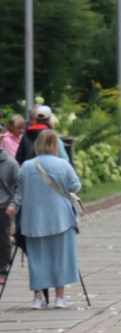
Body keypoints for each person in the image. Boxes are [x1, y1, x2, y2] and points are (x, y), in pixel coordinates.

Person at [12, 130, 80, 309]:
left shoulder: (27, 166)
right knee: (61, 258)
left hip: (33, 220)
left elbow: (19, 190)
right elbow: (75, 186)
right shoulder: (63, 165)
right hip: (61, 219)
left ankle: (38, 297)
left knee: (37, 259)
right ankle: (59, 297)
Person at [0, 141, 18, 286]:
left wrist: (13, 204)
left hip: (3, 207)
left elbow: (20, 186)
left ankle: (2, 270)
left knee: (4, 239)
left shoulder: (11, 164)